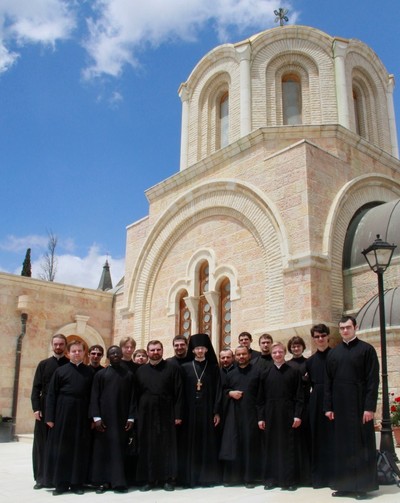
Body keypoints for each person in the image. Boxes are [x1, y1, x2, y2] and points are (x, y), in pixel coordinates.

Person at [324, 315, 379, 500]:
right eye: (342, 328)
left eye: (348, 327)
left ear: (355, 327)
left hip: (359, 408)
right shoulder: (333, 353)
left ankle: (361, 487)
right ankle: (344, 486)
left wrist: (369, 408)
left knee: (360, 446)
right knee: (341, 448)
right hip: (339, 409)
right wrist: (328, 407)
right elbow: (328, 383)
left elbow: (373, 381)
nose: (345, 331)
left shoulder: (367, 350)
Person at [45, 340, 94, 495]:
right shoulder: (60, 372)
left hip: (82, 414)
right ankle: (61, 483)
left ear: (84, 352)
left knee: (79, 449)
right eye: (74, 351)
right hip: (63, 413)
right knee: (62, 449)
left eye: (79, 350)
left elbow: (94, 396)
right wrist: (50, 417)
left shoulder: (89, 373)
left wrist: (92, 418)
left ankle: (77, 483)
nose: (77, 353)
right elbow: (51, 395)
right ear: (68, 353)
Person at [135, 340, 183, 491]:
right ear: (148, 352)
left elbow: (179, 392)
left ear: (162, 351)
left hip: (166, 411)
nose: (155, 352)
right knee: (148, 445)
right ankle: (149, 479)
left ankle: (168, 479)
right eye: (152, 350)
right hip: (146, 412)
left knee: (167, 446)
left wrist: (178, 414)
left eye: (158, 350)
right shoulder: (140, 371)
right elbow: (135, 395)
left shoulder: (172, 368)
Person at [90, 346, 136, 493]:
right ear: (108, 356)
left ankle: (119, 482)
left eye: (117, 353)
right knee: (103, 451)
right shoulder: (101, 375)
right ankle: (103, 482)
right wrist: (96, 418)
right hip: (104, 420)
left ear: (121, 355)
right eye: (112, 353)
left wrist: (131, 417)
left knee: (119, 451)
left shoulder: (128, 375)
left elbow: (133, 398)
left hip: (122, 420)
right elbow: (94, 397)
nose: (115, 355)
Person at [257, 342, 303, 491]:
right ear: (271, 355)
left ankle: (289, 481)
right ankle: (270, 479)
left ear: (284, 353)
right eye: (274, 352)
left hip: (288, 414)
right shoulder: (265, 373)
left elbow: (299, 396)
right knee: (270, 447)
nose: (277, 355)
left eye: (280, 352)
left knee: (288, 447)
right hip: (270, 415)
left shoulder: (294, 372)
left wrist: (297, 415)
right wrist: (261, 417)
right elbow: (260, 399)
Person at [180, 333, 222, 487]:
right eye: (197, 348)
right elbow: (180, 392)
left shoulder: (213, 368)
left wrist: (216, 411)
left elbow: (218, 390)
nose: (200, 351)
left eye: (202, 348)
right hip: (189, 411)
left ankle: (207, 478)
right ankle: (190, 478)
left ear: (206, 350)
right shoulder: (184, 368)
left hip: (207, 410)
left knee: (206, 444)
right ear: (192, 350)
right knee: (190, 444)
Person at [220, 345, 262, 487]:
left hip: (251, 414)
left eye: (244, 354)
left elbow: (262, 394)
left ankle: (249, 478)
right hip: (234, 414)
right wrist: (230, 393)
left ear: (249, 355)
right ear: (235, 357)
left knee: (249, 445)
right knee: (233, 445)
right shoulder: (230, 374)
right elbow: (224, 390)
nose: (241, 357)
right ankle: (233, 478)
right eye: (238, 355)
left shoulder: (257, 372)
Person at [31, 334, 69, 490]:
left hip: (63, 409)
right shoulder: (44, 364)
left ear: (65, 346)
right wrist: (36, 408)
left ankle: (58, 477)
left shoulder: (69, 364)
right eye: (56, 344)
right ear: (52, 345)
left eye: (61, 344)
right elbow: (36, 388)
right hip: (45, 408)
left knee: (61, 444)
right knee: (42, 444)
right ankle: (40, 478)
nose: (58, 347)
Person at [306, 323, 334, 489]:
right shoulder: (310, 361)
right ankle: (319, 478)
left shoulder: (336, 356)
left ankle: (334, 477)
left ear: (328, 336)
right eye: (317, 336)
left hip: (333, 400)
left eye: (323, 335)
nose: (320, 339)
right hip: (316, 400)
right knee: (317, 438)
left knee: (332, 438)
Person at [287, 335, 311, 486]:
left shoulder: (309, 363)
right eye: (293, 346)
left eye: (298, 346)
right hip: (291, 406)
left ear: (303, 347)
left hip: (306, 405)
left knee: (305, 440)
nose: (296, 348)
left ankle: (306, 476)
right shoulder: (288, 365)